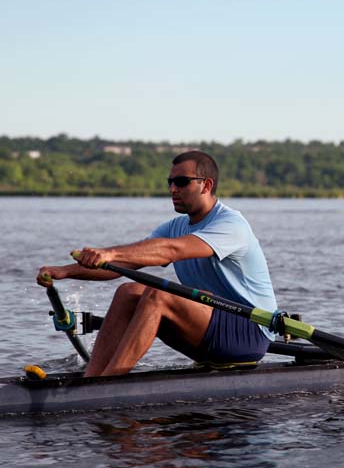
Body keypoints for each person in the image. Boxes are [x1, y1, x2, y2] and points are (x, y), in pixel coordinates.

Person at [37, 150, 277, 377]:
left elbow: (171, 250)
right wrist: (64, 271)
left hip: (249, 332)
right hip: (210, 327)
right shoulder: (175, 227)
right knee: (128, 292)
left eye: (182, 181)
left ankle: (109, 382)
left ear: (207, 185)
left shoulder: (231, 225)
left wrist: (108, 252)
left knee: (158, 295)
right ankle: (91, 379)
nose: (173, 188)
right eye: (170, 182)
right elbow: (122, 265)